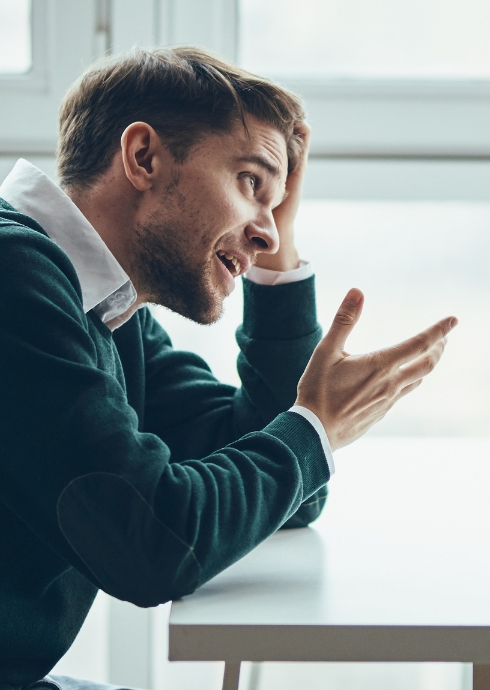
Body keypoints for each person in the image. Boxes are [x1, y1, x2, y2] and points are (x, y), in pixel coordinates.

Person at [0, 47, 457, 690]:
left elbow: (287, 489)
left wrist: (278, 262)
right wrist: (314, 427)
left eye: (279, 205)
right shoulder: (15, 279)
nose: (267, 231)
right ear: (143, 158)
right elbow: (154, 542)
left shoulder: (103, 309)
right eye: (250, 182)